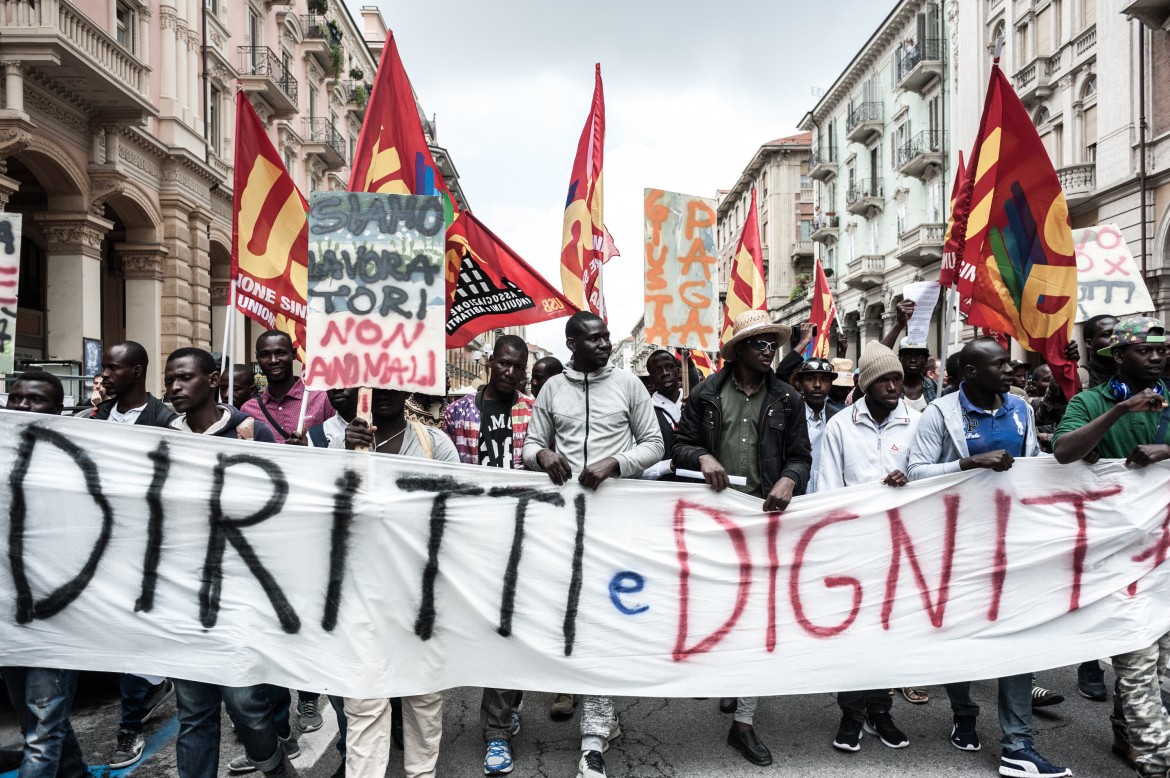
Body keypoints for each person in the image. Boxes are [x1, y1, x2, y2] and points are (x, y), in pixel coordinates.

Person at [907, 337, 1070, 778]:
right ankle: (964, 714)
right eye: (999, 363)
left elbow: (1033, 463)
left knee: (1017, 638)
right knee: (964, 637)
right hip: (955, 545)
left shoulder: (1021, 409)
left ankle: (1018, 745)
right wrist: (969, 463)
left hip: (1013, 542)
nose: (1010, 369)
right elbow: (914, 471)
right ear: (971, 373)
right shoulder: (939, 414)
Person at [523, 311, 664, 778]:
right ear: (572, 344)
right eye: (595, 338)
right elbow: (529, 446)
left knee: (603, 622)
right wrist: (542, 455)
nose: (605, 344)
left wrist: (616, 463)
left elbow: (654, 444)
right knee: (568, 620)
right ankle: (585, 705)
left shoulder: (628, 384)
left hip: (615, 524)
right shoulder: (550, 390)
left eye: (607, 337)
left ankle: (594, 737)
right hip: (561, 525)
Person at [672, 309, 813, 768]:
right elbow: (678, 446)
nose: (769, 350)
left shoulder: (788, 399)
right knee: (716, 612)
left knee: (760, 623)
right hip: (715, 524)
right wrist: (702, 457)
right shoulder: (707, 395)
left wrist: (791, 478)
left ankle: (744, 724)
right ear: (738, 351)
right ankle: (722, 679)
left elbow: (801, 457)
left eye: (773, 343)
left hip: (766, 523)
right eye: (760, 343)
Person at [159, 348, 296, 778]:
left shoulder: (248, 433)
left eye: (184, 378)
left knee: (244, 701)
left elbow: (285, 501)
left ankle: (274, 768)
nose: (174, 388)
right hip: (182, 592)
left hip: (240, 591)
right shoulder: (161, 435)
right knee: (194, 708)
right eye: (170, 379)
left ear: (213, 380)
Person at [1052, 316, 1170, 778]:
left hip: (1165, 554)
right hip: (1117, 558)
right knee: (1137, 656)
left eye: (1162, 350)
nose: (1157, 357)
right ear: (1118, 358)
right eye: (1145, 350)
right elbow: (1063, 452)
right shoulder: (1092, 402)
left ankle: (1126, 734)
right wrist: (1121, 412)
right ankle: (1157, 759)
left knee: (1162, 658)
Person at [338, 388, 458, 778]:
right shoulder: (337, 443)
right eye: (372, 386)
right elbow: (324, 512)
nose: (382, 394)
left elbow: (457, 509)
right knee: (364, 699)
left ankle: (422, 773)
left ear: (407, 388)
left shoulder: (434, 444)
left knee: (423, 695)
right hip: (361, 592)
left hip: (420, 593)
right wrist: (343, 457)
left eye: (391, 385)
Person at [817, 343, 920, 753]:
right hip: (856, 547)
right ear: (866, 385)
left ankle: (881, 711)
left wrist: (909, 477)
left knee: (890, 632)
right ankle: (851, 714)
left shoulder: (918, 421)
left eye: (897, 378)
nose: (894, 386)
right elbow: (826, 487)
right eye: (884, 380)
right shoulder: (840, 426)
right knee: (854, 634)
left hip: (904, 546)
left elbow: (931, 474)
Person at [441, 334, 532, 776]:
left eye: (518, 366)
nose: (510, 373)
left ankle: (496, 732)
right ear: (490, 363)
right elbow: (439, 466)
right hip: (469, 539)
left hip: (520, 540)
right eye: (503, 364)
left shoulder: (533, 412)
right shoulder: (458, 412)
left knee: (507, 633)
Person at [92, 340, 179, 768]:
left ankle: (129, 727)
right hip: (105, 543)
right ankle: (156, 680)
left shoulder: (165, 420)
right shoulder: (96, 417)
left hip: (149, 546)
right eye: (104, 367)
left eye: (113, 367)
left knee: (132, 634)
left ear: (138, 371)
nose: (105, 374)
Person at [1, 371, 89, 776]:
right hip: (8, 617)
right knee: (34, 721)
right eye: (15, 398)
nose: (21, 407)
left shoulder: (74, 461)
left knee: (42, 731)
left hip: (56, 616)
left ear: (58, 409)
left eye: (34, 400)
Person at [241, 330, 334, 446]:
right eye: (265, 355)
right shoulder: (249, 410)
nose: (273, 360)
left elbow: (338, 446)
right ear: (258, 358)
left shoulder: (322, 400)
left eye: (280, 353)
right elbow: (245, 455)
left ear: (294, 354)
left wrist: (310, 449)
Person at [791, 357, 839, 494]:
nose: (817, 385)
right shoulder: (788, 416)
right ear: (800, 383)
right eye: (810, 379)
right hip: (795, 496)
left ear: (830, 384)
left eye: (824, 379)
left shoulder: (838, 419)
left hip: (828, 495)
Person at [640, 349, 684, 481]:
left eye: (670, 367)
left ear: (679, 371)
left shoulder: (696, 402)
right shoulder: (644, 411)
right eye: (657, 370)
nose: (665, 373)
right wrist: (667, 466)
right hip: (663, 492)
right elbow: (636, 467)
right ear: (650, 379)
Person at [1082, 314, 1121, 389]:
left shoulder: (1136, 373)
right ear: (1089, 343)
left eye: (1119, 333)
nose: (1115, 338)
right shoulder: (1081, 378)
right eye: (1107, 334)